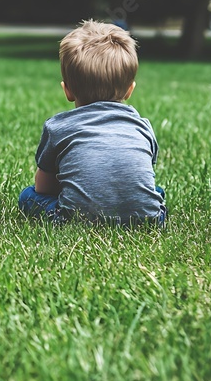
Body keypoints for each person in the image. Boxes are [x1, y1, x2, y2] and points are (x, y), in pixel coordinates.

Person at [19, 20, 166, 226]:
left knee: (27, 196)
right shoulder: (142, 127)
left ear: (67, 90)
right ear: (130, 90)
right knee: (157, 192)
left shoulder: (58, 127)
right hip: (147, 219)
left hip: (75, 220)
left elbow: (44, 188)